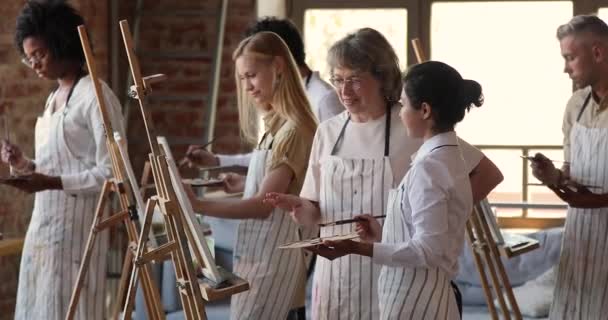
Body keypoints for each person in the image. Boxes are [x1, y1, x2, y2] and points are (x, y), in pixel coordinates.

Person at [264, 28, 503, 320]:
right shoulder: (328, 132)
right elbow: (314, 210)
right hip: (334, 275)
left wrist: (436, 216)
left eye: (354, 80)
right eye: (337, 80)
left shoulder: (413, 122)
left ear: (382, 78)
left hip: (394, 272)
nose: (343, 91)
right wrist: (299, 207)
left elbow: (488, 174)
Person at [306, 61, 483, 319]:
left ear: (424, 110)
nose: (399, 113)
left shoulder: (430, 168)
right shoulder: (446, 159)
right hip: (419, 299)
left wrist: (355, 248)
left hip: (418, 303)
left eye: (403, 104)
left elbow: (428, 250)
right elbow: (428, 238)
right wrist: (381, 237)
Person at [0, 1, 125, 319]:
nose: (35, 64)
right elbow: (52, 168)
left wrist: (51, 182)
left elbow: (113, 172)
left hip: (78, 233)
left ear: (61, 44)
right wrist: (24, 164)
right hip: (44, 229)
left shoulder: (95, 95)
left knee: (73, 310)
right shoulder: (52, 99)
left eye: (40, 54)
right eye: (29, 59)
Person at [187, 31, 318, 320]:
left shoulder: (294, 130)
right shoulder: (275, 125)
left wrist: (196, 206)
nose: (247, 86)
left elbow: (263, 205)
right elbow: (283, 186)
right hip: (260, 257)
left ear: (279, 68)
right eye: (242, 79)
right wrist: (246, 182)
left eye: (252, 76)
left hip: (276, 261)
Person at [182, 17, 344, 175]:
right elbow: (271, 159)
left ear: (278, 63)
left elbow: (333, 167)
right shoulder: (280, 102)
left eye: (252, 73)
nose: (247, 87)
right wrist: (217, 161)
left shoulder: (324, 99)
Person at [530, 15, 608, 320]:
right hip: (581, 238)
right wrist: (552, 177)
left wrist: (596, 201)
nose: (565, 68)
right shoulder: (575, 105)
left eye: (570, 57)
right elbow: (571, 175)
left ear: (598, 53)